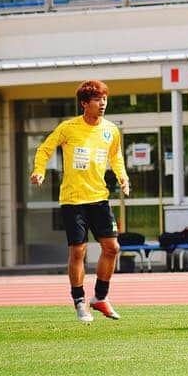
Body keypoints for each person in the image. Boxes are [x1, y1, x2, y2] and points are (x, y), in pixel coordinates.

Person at [30, 80, 128, 322]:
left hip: (99, 198)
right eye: (97, 99)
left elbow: (116, 157)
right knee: (78, 252)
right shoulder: (68, 128)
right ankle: (79, 302)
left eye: (104, 98)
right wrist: (39, 170)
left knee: (112, 248)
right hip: (73, 201)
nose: (102, 103)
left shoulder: (111, 130)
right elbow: (45, 148)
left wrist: (123, 178)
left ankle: (100, 297)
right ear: (85, 103)